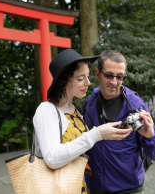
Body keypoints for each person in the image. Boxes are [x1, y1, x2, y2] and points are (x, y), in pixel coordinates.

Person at [33, 49, 132, 194]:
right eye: (80, 78)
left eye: (87, 76)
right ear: (63, 80)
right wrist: (97, 134)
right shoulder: (46, 110)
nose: (88, 82)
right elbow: (52, 158)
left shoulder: (74, 110)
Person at [82, 50, 155, 194]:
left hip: (128, 189)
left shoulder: (135, 104)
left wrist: (149, 137)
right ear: (97, 73)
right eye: (108, 75)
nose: (114, 82)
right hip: (94, 187)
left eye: (120, 77)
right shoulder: (89, 102)